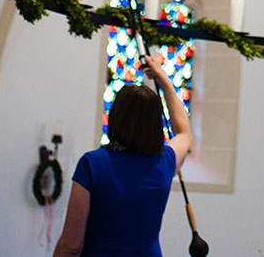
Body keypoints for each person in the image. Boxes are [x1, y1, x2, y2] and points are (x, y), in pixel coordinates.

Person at [54, 53, 193, 257]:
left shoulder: (93, 164)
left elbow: (70, 247)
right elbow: (184, 131)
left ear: (116, 117)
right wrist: (162, 78)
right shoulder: (164, 164)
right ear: (155, 124)